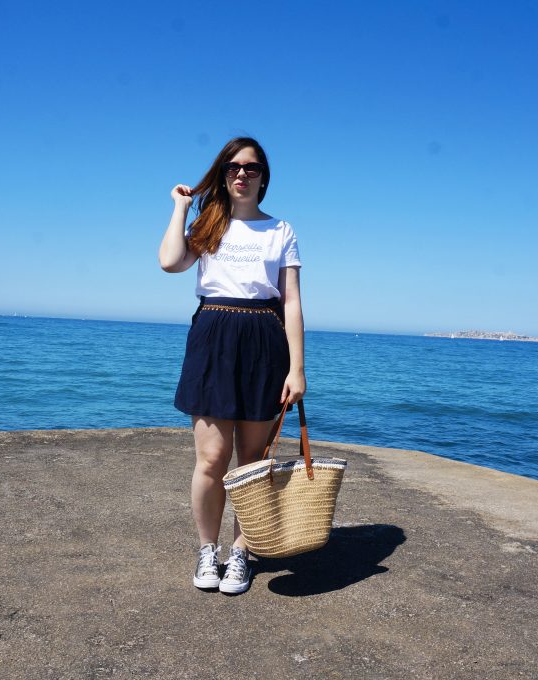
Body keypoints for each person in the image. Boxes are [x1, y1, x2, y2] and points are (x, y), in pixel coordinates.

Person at [158, 137, 306, 595]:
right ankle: (208, 550)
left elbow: (292, 302)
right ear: (223, 174)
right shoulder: (208, 224)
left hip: (264, 338)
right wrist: (181, 207)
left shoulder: (281, 230)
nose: (242, 174)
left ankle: (241, 551)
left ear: (263, 177)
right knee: (211, 459)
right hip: (213, 335)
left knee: (252, 462)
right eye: (233, 167)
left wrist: (297, 368)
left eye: (252, 167)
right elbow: (169, 262)